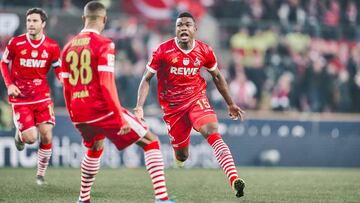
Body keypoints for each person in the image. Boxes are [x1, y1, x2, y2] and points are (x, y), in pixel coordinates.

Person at [61, 2, 175, 203]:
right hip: (102, 109)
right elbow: (107, 85)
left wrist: (73, 115)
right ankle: (162, 198)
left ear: (84, 18)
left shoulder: (68, 47)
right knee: (151, 141)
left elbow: (66, 85)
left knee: (94, 147)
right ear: (104, 19)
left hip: (78, 111)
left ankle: (83, 198)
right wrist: (118, 117)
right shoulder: (105, 44)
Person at [134, 12, 246, 198]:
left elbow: (217, 76)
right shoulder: (162, 51)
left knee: (212, 131)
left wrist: (231, 103)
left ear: (195, 29)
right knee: (182, 155)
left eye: (187, 25)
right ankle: (179, 159)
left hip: (196, 99)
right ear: (176, 29)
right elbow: (146, 79)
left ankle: (234, 180)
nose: (183, 28)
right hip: (173, 109)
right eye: (179, 25)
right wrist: (139, 106)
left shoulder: (205, 51)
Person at [0, 8, 62, 185]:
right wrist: (10, 84)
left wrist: (63, 80)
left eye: (35, 21)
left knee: (47, 134)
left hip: (42, 97)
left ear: (43, 24)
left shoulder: (52, 46)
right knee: (31, 138)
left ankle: (40, 174)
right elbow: (4, 64)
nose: (31, 24)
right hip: (21, 98)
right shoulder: (16, 43)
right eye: (28, 21)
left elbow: (58, 68)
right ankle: (20, 136)